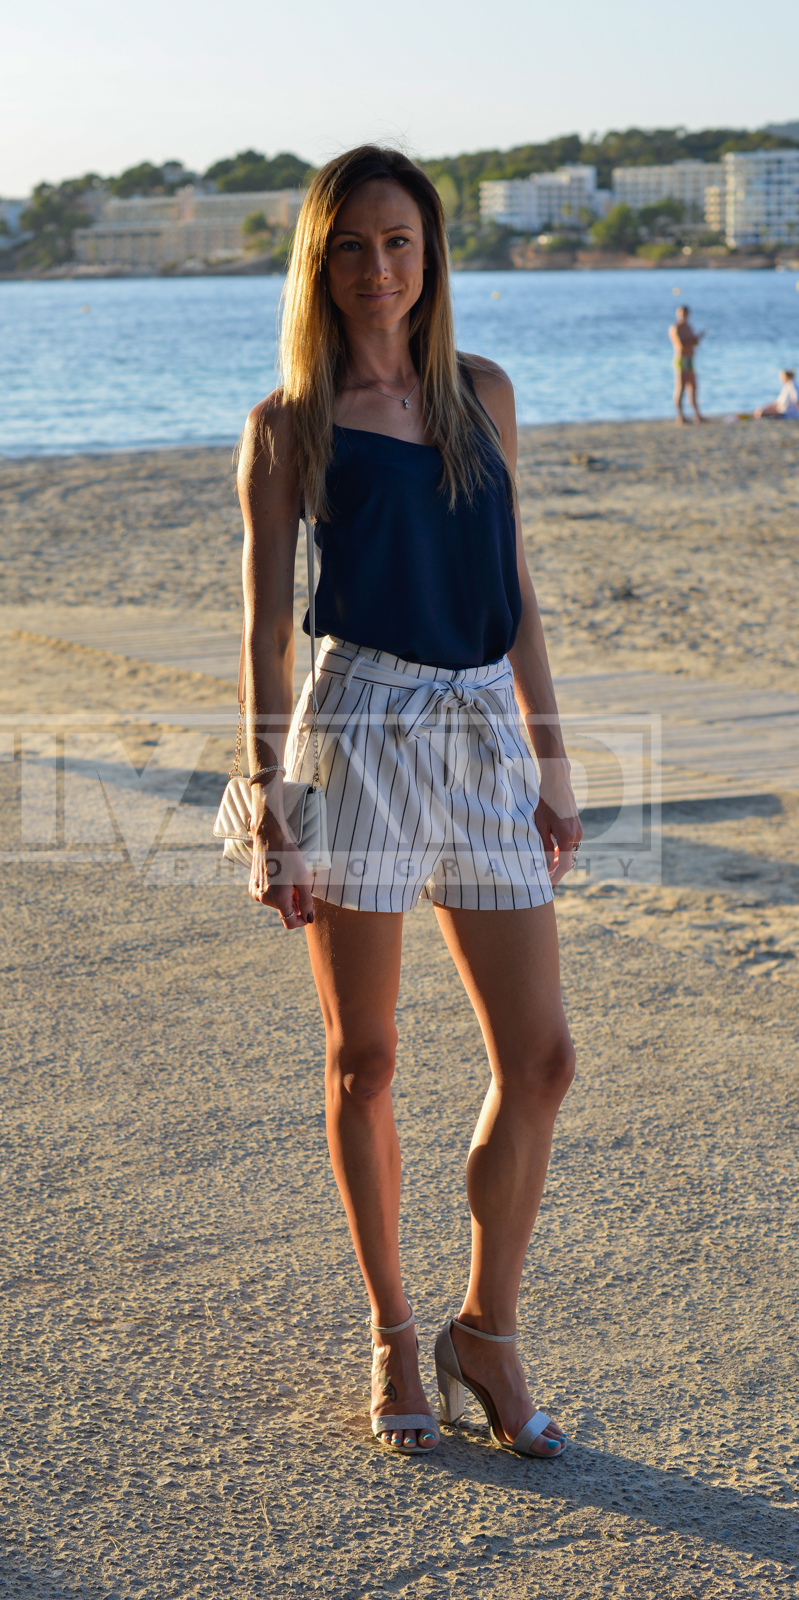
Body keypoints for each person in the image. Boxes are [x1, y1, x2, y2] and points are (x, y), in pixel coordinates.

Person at [235, 146, 582, 1460]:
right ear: (317, 264)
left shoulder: (481, 394)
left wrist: (549, 759)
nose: (376, 268)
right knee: (364, 1058)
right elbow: (265, 631)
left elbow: (514, 584)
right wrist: (268, 799)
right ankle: (390, 1329)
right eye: (350, 245)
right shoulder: (288, 427)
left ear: (429, 254)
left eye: (398, 242)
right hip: (358, 727)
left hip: (482, 722)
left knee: (540, 1058)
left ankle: (482, 1329)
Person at [669, 305, 705, 424]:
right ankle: (680, 416)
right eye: (682, 313)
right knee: (681, 388)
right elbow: (681, 346)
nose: (684, 315)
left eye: (686, 313)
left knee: (693, 387)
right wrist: (694, 340)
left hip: (690, 359)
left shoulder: (688, 327)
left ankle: (697, 415)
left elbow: (693, 343)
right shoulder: (676, 327)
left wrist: (697, 339)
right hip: (681, 359)